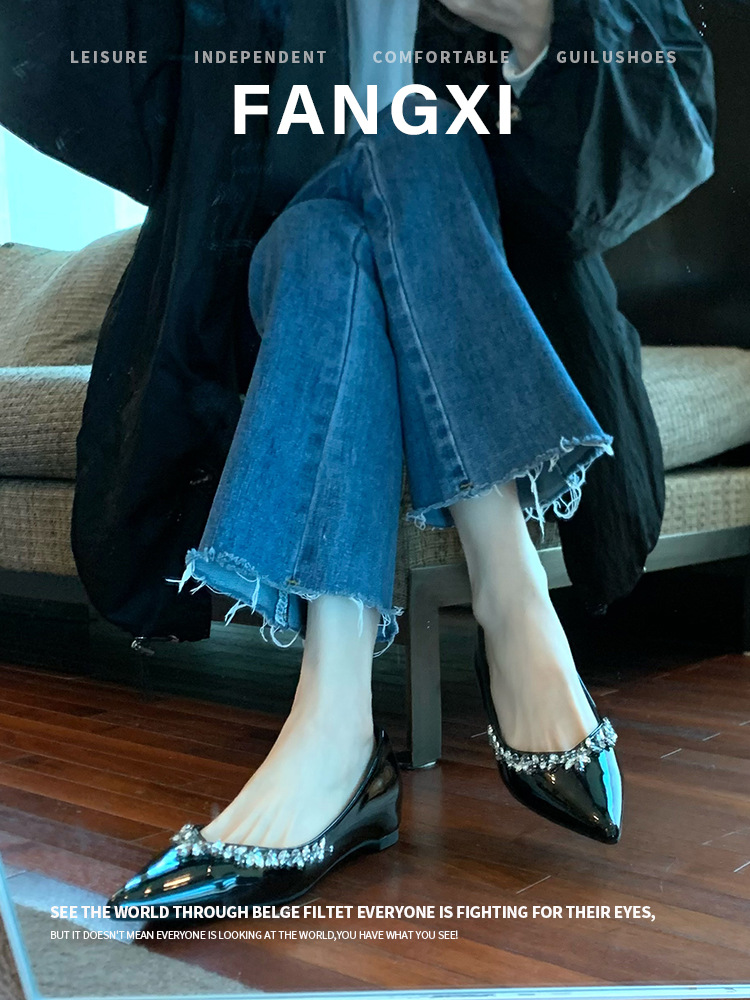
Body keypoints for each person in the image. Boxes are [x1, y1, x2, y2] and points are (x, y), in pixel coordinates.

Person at [0, 0, 714, 916]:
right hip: (269, 295)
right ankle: (512, 597)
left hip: (491, 283)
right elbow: (110, 88)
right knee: (350, 186)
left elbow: (670, 121)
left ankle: (334, 728)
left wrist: (544, 26)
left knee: (369, 190)